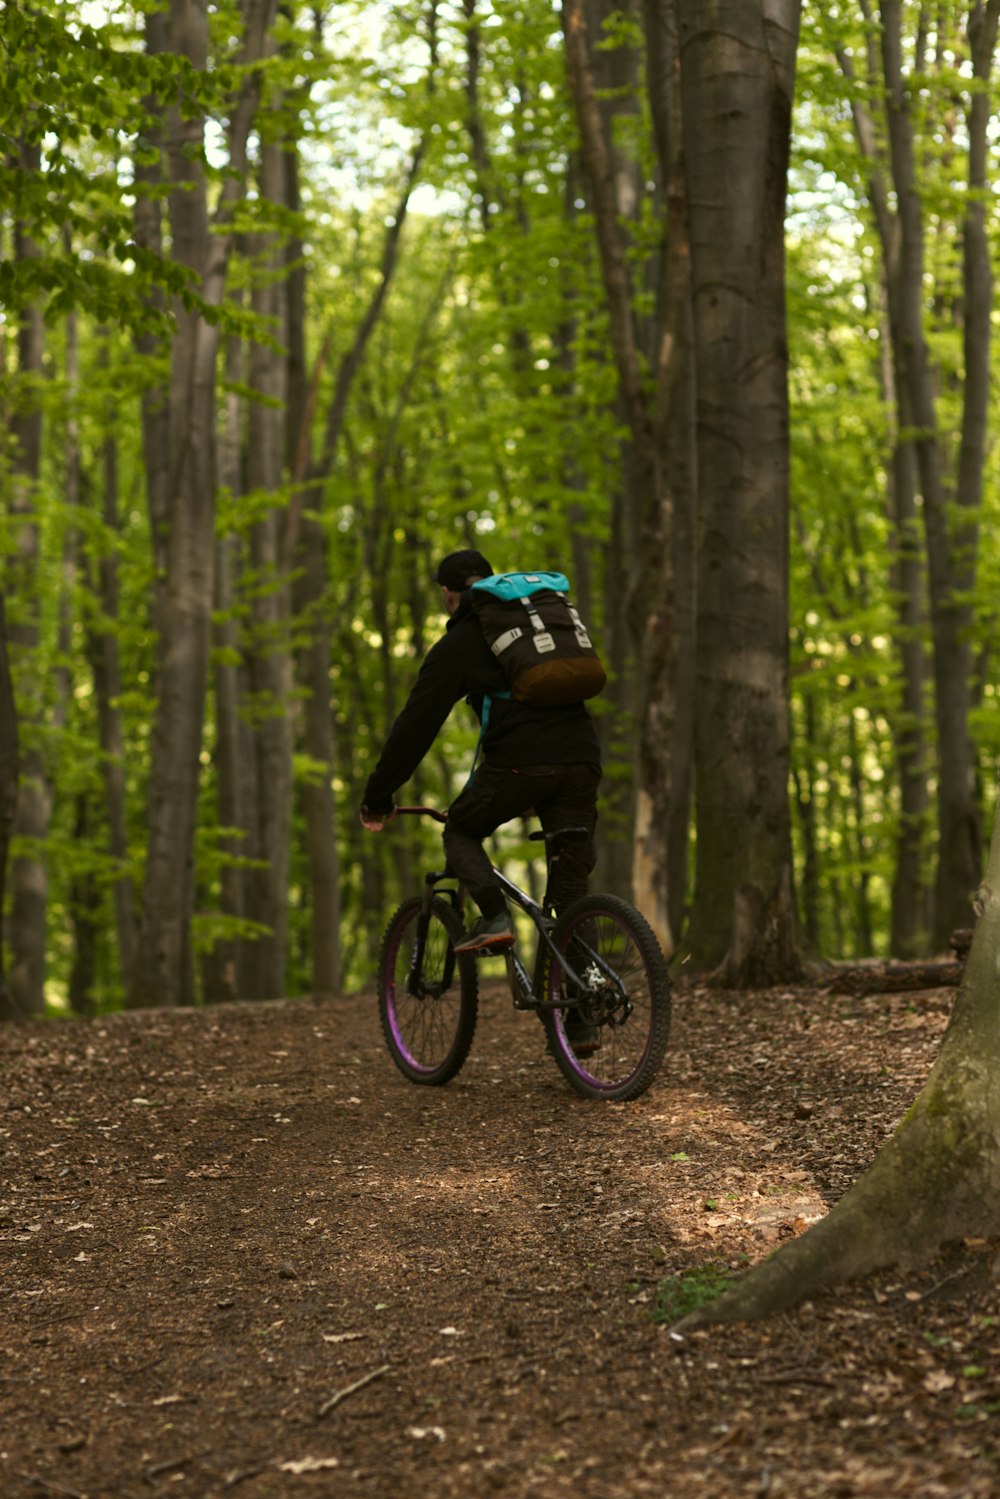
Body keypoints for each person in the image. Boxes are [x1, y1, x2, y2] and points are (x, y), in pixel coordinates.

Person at [360, 548, 602, 957]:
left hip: (519, 765)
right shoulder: (534, 632)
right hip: (582, 760)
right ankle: (586, 1008)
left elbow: (414, 728)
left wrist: (378, 796)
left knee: (461, 829)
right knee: (572, 899)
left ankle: (493, 918)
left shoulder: (460, 644)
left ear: (447, 593)